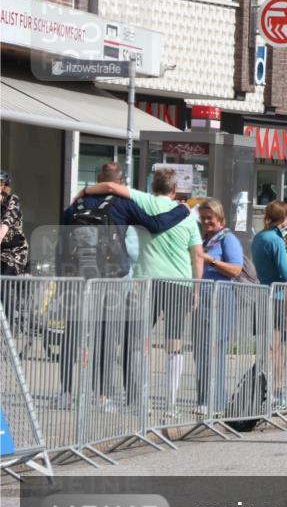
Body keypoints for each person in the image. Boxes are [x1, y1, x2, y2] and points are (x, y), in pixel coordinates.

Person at [58, 162, 191, 409]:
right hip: (110, 277)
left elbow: (61, 243)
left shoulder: (75, 205)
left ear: (98, 178)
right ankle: (102, 396)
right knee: (106, 336)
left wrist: (60, 278)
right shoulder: (122, 204)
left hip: (76, 277)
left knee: (72, 333)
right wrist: (182, 210)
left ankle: (65, 393)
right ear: (121, 183)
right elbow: (156, 225)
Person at [86, 167, 204, 414]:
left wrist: (84, 192)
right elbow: (198, 256)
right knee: (174, 342)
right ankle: (171, 403)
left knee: (136, 341)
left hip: (145, 282)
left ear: (153, 187)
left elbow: (111, 187)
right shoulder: (188, 217)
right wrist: (196, 288)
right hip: (179, 283)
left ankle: (140, 399)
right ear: (174, 190)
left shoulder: (143, 200)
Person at [251, 201, 287, 411]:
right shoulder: (275, 239)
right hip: (278, 297)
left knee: (268, 346)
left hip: (263, 294)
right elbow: (286, 274)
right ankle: (274, 392)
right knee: (280, 347)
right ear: (284, 218)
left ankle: (262, 390)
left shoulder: (259, 237)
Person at [193, 198, 243, 416]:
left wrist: (210, 261)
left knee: (215, 349)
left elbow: (236, 269)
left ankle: (218, 399)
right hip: (202, 299)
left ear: (219, 218)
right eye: (202, 218)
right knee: (201, 350)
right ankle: (204, 398)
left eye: (209, 218)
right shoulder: (205, 238)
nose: (205, 222)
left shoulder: (228, 239)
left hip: (220, 298)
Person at [0, 168, 28, 278]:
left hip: (14, 253)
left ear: (3, 186)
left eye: (1, 183)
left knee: (3, 285)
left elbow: (5, 225)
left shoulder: (12, 200)